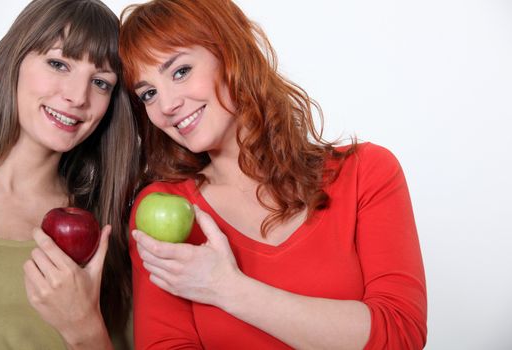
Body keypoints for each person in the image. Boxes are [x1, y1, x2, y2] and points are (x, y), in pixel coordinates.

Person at [120, 0, 427, 348]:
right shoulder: (165, 206)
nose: (166, 105)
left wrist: (227, 288)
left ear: (231, 53)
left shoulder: (367, 173)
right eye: (148, 94)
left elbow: (400, 335)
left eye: (180, 72)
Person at [0, 0, 139, 349]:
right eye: (58, 63)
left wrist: (85, 329)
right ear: (14, 60)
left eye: (101, 82)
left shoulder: (112, 228)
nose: (77, 97)